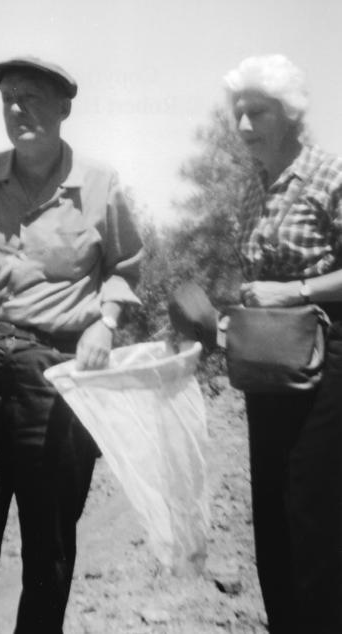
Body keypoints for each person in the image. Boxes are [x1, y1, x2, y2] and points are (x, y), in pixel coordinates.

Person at [0, 55, 143, 634]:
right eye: (9, 98)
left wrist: (106, 321)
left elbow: (126, 265)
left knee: (48, 547)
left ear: (65, 109)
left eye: (33, 98)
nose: (18, 109)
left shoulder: (100, 184)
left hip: (57, 375)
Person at [223, 54, 342, 633]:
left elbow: (289, 289)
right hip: (268, 365)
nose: (244, 126)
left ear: (289, 113)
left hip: (328, 362)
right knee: (270, 512)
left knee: (312, 511)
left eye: (258, 112)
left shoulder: (330, 174)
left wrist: (292, 290)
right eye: (238, 113)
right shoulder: (255, 189)